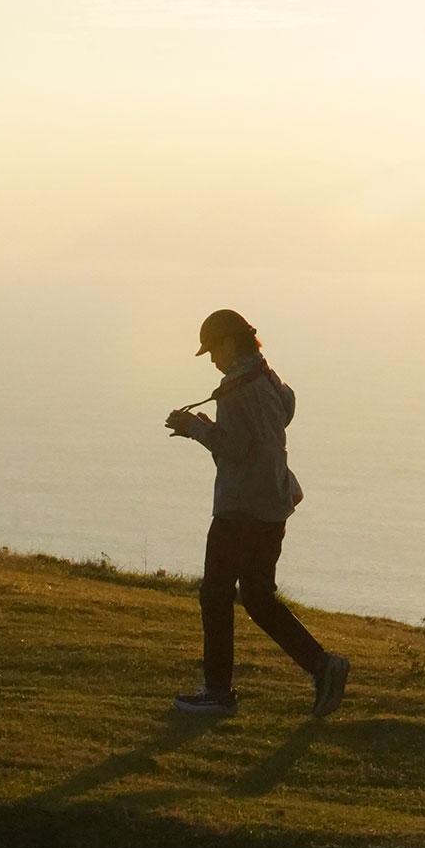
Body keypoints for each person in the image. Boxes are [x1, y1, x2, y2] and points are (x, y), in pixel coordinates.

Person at [164, 308, 348, 719]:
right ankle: (322, 665)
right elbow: (286, 408)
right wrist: (214, 426)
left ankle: (216, 692)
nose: (213, 359)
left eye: (213, 350)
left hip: (239, 508)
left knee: (215, 594)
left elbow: (236, 448)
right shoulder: (268, 378)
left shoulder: (235, 389)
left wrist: (196, 429)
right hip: (273, 506)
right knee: (260, 599)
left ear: (230, 343)